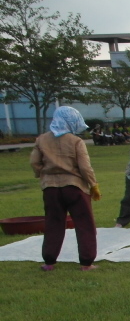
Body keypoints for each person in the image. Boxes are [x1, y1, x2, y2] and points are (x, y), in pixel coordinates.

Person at [29, 106, 101, 272]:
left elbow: (34, 162)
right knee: (85, 224)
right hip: (74, 187)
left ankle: (49, 261)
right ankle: (86, 262)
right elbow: (85, 167)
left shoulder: (42, 139)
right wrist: (93, 184)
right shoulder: (75, 141)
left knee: (53, 223)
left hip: (50, 188)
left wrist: (42, 174)